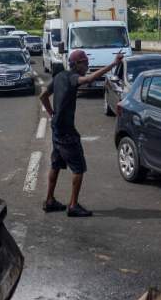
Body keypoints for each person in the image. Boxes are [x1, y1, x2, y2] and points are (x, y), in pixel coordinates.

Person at [39, 49, 124, 217]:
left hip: (56, 129)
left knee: (55, 164)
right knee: (78, 168)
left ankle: (49, 200)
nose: (88, 65)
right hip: (67, 132)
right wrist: (113, 64)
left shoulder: (59, 76)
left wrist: (52, 114)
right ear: (77, 64)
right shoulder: (72, 78)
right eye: (85, 62)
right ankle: (73, 205)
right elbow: (90, 79)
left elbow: (43, 96)